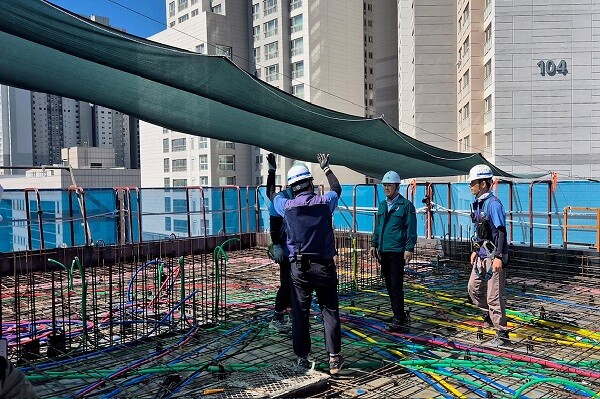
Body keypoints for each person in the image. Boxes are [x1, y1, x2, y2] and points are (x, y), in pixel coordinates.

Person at [270, 153, 344, 375]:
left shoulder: (288, 206)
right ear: (311, 183)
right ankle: (334, 359)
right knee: (329, 311)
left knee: (300, 313)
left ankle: (302, 358)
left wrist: (272, 171)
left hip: (300, 269)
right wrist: (327, 168)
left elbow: (271, 194)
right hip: (324, 267)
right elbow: (337, 189)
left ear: (292, 188)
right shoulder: (324, 202)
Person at [466, 164, 511, 347]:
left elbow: (501, 232)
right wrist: (475, 252)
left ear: (483, 184)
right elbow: (480, 231)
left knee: (494, 296)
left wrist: (499, 257)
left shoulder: (493, 204)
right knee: (473, 289)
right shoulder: (478, 203)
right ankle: (490, 314)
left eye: (473, 183)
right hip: (482, 255)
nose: (470, 186)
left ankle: (502, 334)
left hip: (494, 256)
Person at [369, 171, 417, 333]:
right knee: (389, 284)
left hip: (397, 251)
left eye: (389, 185)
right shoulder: (383, 205)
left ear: (397, 187)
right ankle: (398, 314)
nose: (386, 188)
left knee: (396, 285)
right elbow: (378, 226)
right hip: (384, 251)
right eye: (384, 185)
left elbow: (411, 228)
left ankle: (399, 318)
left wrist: (409, 248)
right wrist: (374, 244)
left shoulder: (406, 206)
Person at [266, 153, 292, 333]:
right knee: (287, 284)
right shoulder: (283, 198)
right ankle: (278, 316)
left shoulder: (305, 195)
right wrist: (275, 245)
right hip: (284, 248)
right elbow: (270, 193)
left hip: (298, 248)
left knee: (296, 284)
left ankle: (290, 312)